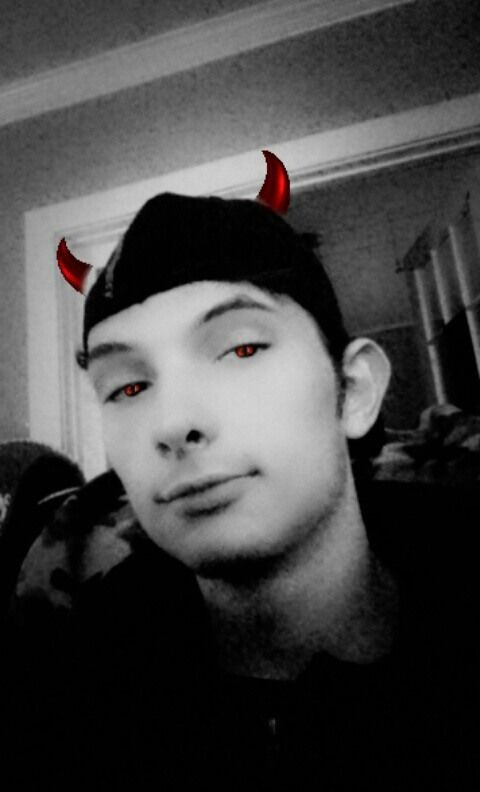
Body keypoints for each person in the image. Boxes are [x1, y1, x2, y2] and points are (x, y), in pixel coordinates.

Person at [55, 191, 477, 789]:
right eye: (126, 388)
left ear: (354, 391)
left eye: (242, 348)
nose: (173, 423)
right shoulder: (67, 698)